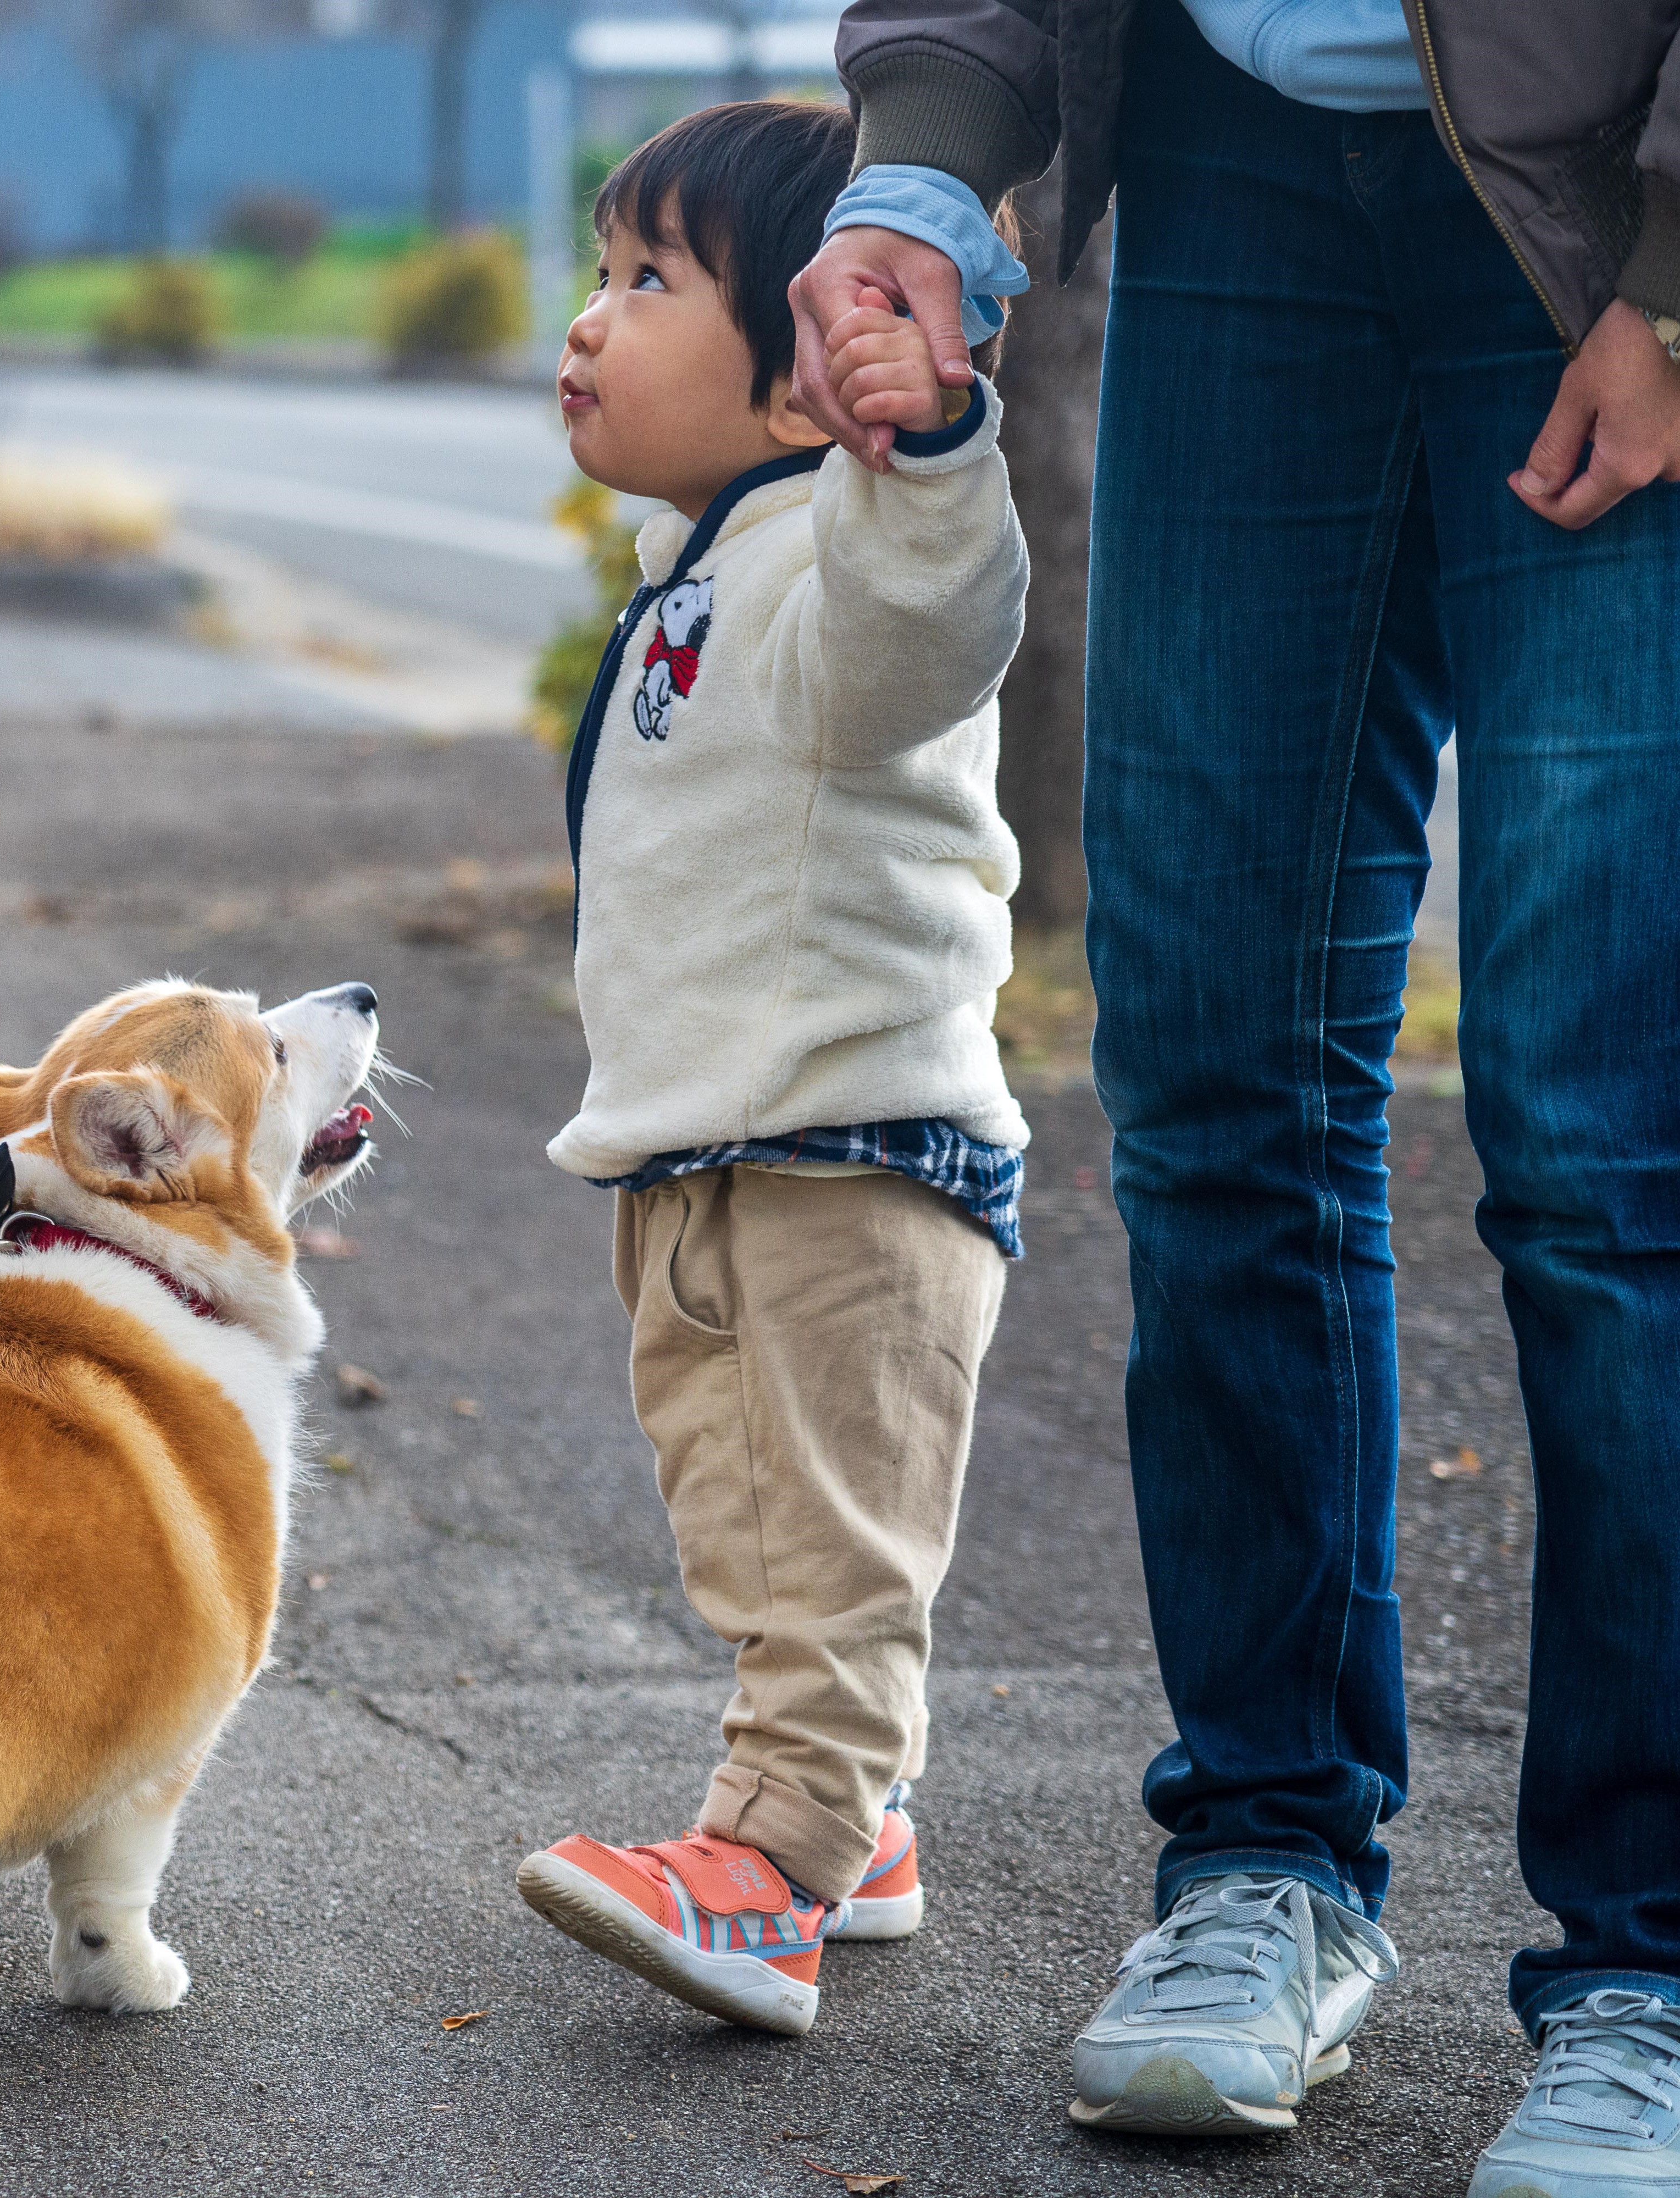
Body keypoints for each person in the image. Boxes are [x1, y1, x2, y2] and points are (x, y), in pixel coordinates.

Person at [789, 2, 1680, 2186]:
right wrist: (922, 154)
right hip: (1224, 163)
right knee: (1211, 1076)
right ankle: (1263, 1861)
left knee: (1595, 1139)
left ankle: (1643, 1970)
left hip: (1597, 203)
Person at [509, 99, 1029, 2040]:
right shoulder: (701, 555)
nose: (592, 319)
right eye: (601, 270)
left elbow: (934, 628)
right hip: (699, 1152)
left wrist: (929, 439)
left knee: (829, 1554)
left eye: (651, 281)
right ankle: (859, 1821)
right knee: (748, 1529)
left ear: (810, 378)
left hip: (853, 1153)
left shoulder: (845, 556)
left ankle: (773, 1868)